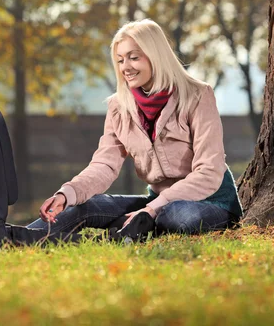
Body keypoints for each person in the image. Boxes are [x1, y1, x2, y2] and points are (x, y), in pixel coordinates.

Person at [28, 19, 243, 241]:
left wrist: (153, 209)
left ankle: (134, 227)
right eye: (120, 60)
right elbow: (104, 165)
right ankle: (18, 236)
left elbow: (209, 171)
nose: (125, 67)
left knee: (176, 216)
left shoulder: (198, 95)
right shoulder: (118, 106)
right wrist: (67, 193)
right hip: (157, 203)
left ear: (156, 56)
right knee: (85, 205)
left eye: (134, 57)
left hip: (211, 201)